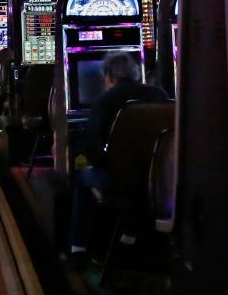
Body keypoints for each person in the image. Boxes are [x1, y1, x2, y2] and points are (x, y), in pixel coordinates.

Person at [62, 51, 170, 268]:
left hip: (118, 181)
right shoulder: (159, 94)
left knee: (83, 177)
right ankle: (128, 238)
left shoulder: (104, 101)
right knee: (135, 182)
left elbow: (94, 152)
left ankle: (78, 248)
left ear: (109, 76)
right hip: (162, 178)